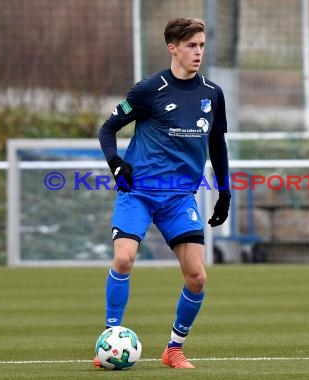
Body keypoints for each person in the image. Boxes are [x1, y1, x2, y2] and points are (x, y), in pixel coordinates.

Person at [95, 17, 230, 369]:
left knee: (197, 276)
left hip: (179, 197)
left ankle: (173, 349)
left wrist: (225, 191)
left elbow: (217, 144)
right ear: (173, 48)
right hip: (138, 192)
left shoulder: (212, 94)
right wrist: (116, 164)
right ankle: (109, 340)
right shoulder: (148, 90)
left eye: (201, 45)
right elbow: (108, 128)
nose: (198, 51)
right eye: (191, 45)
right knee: (123, 258)